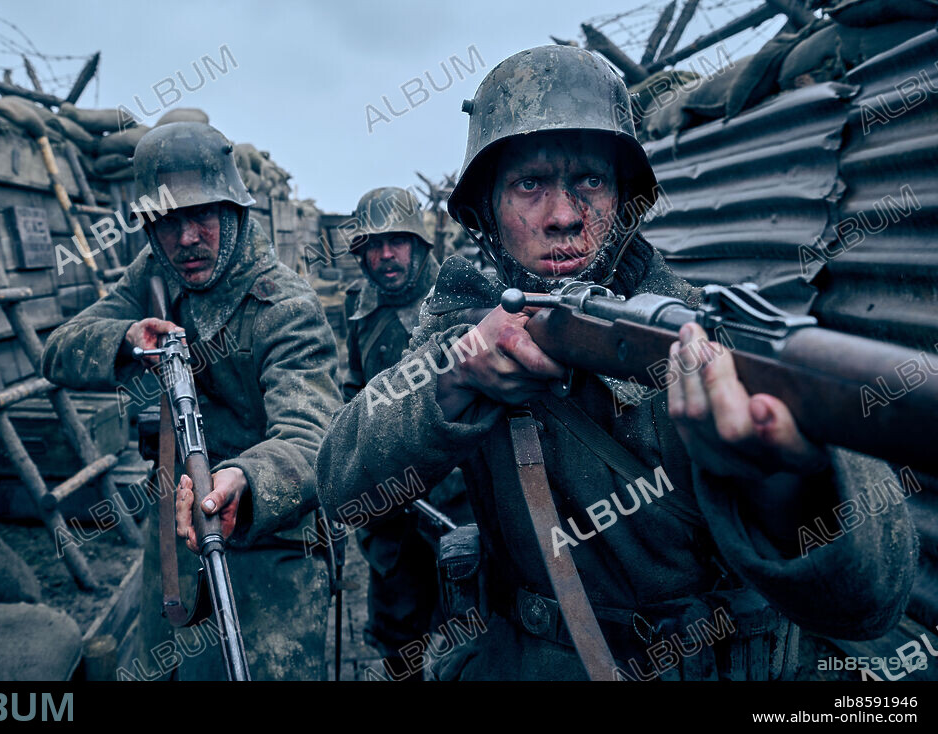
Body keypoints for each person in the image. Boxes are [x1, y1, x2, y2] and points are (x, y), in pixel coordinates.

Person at [316, 46, 917, 681]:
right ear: (485, 209)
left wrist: (787, 483)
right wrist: (452, 384)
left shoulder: (692, 334)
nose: (564, 216)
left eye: (590, 182)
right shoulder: (462, 326)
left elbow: (873, 601)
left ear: (625, 197)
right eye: (530, 184)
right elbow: (340, 484)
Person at [42, 122, 342, 680]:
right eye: (167, 222)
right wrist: (127, 338)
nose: (186, 239)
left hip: (267, 538)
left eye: (202, 215)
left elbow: (313, 436)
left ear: (234, 212)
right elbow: (56, 352)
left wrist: (242, 481)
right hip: (174, 541)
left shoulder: (285, 307)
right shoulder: (154, 275)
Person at [342, 187, 470, 680]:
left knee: (473, 626)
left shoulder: (456, 300)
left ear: (419, 245)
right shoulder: (359, 308)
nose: (386, 255)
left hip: (458, 502)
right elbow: (354, 384)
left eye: (397, 241)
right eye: (373, 245)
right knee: (397, 633)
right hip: (389, 509)